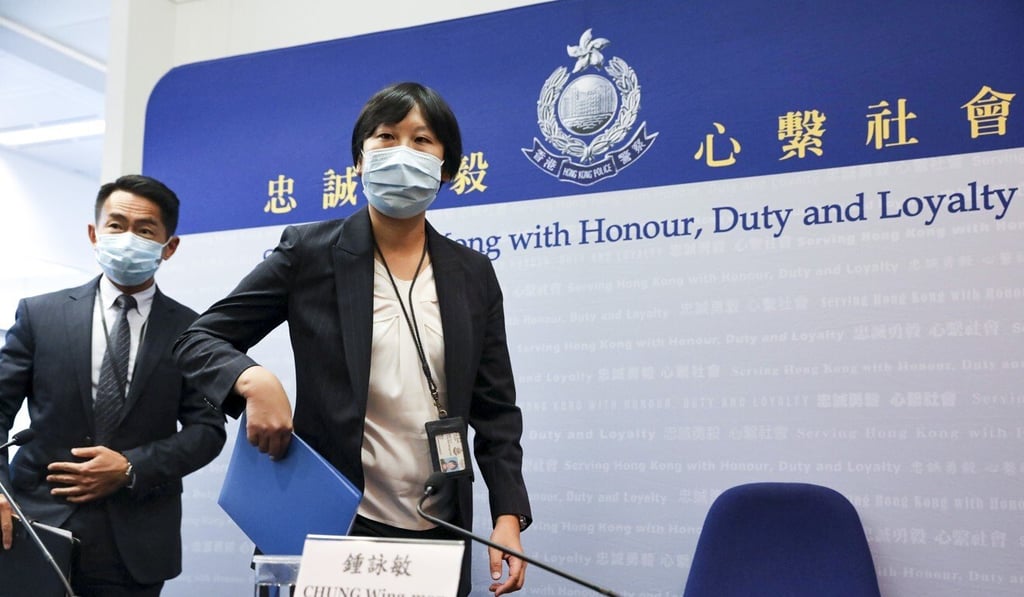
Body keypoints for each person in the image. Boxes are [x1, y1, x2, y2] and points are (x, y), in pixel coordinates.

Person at [173, 82, 532, 596]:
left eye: (422, 140)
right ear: (359, 162)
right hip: (332, 526)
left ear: (448, 169)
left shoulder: (472, 274)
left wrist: (508, 514)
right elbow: (197, 339)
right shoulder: (309, 253)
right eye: (385, 136)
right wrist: (251, 379)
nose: (402, 152)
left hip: (438, 529)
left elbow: (496, 410)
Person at [0, 175, 227, 596]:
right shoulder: (39, 315)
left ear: (168, 247)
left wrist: (129, 467)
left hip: (136, 542)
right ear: (94, 233)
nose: (127, 238)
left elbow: (207, 431)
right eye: (116, 225)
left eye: (144, 230)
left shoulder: (193, 331)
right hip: (34, 526)